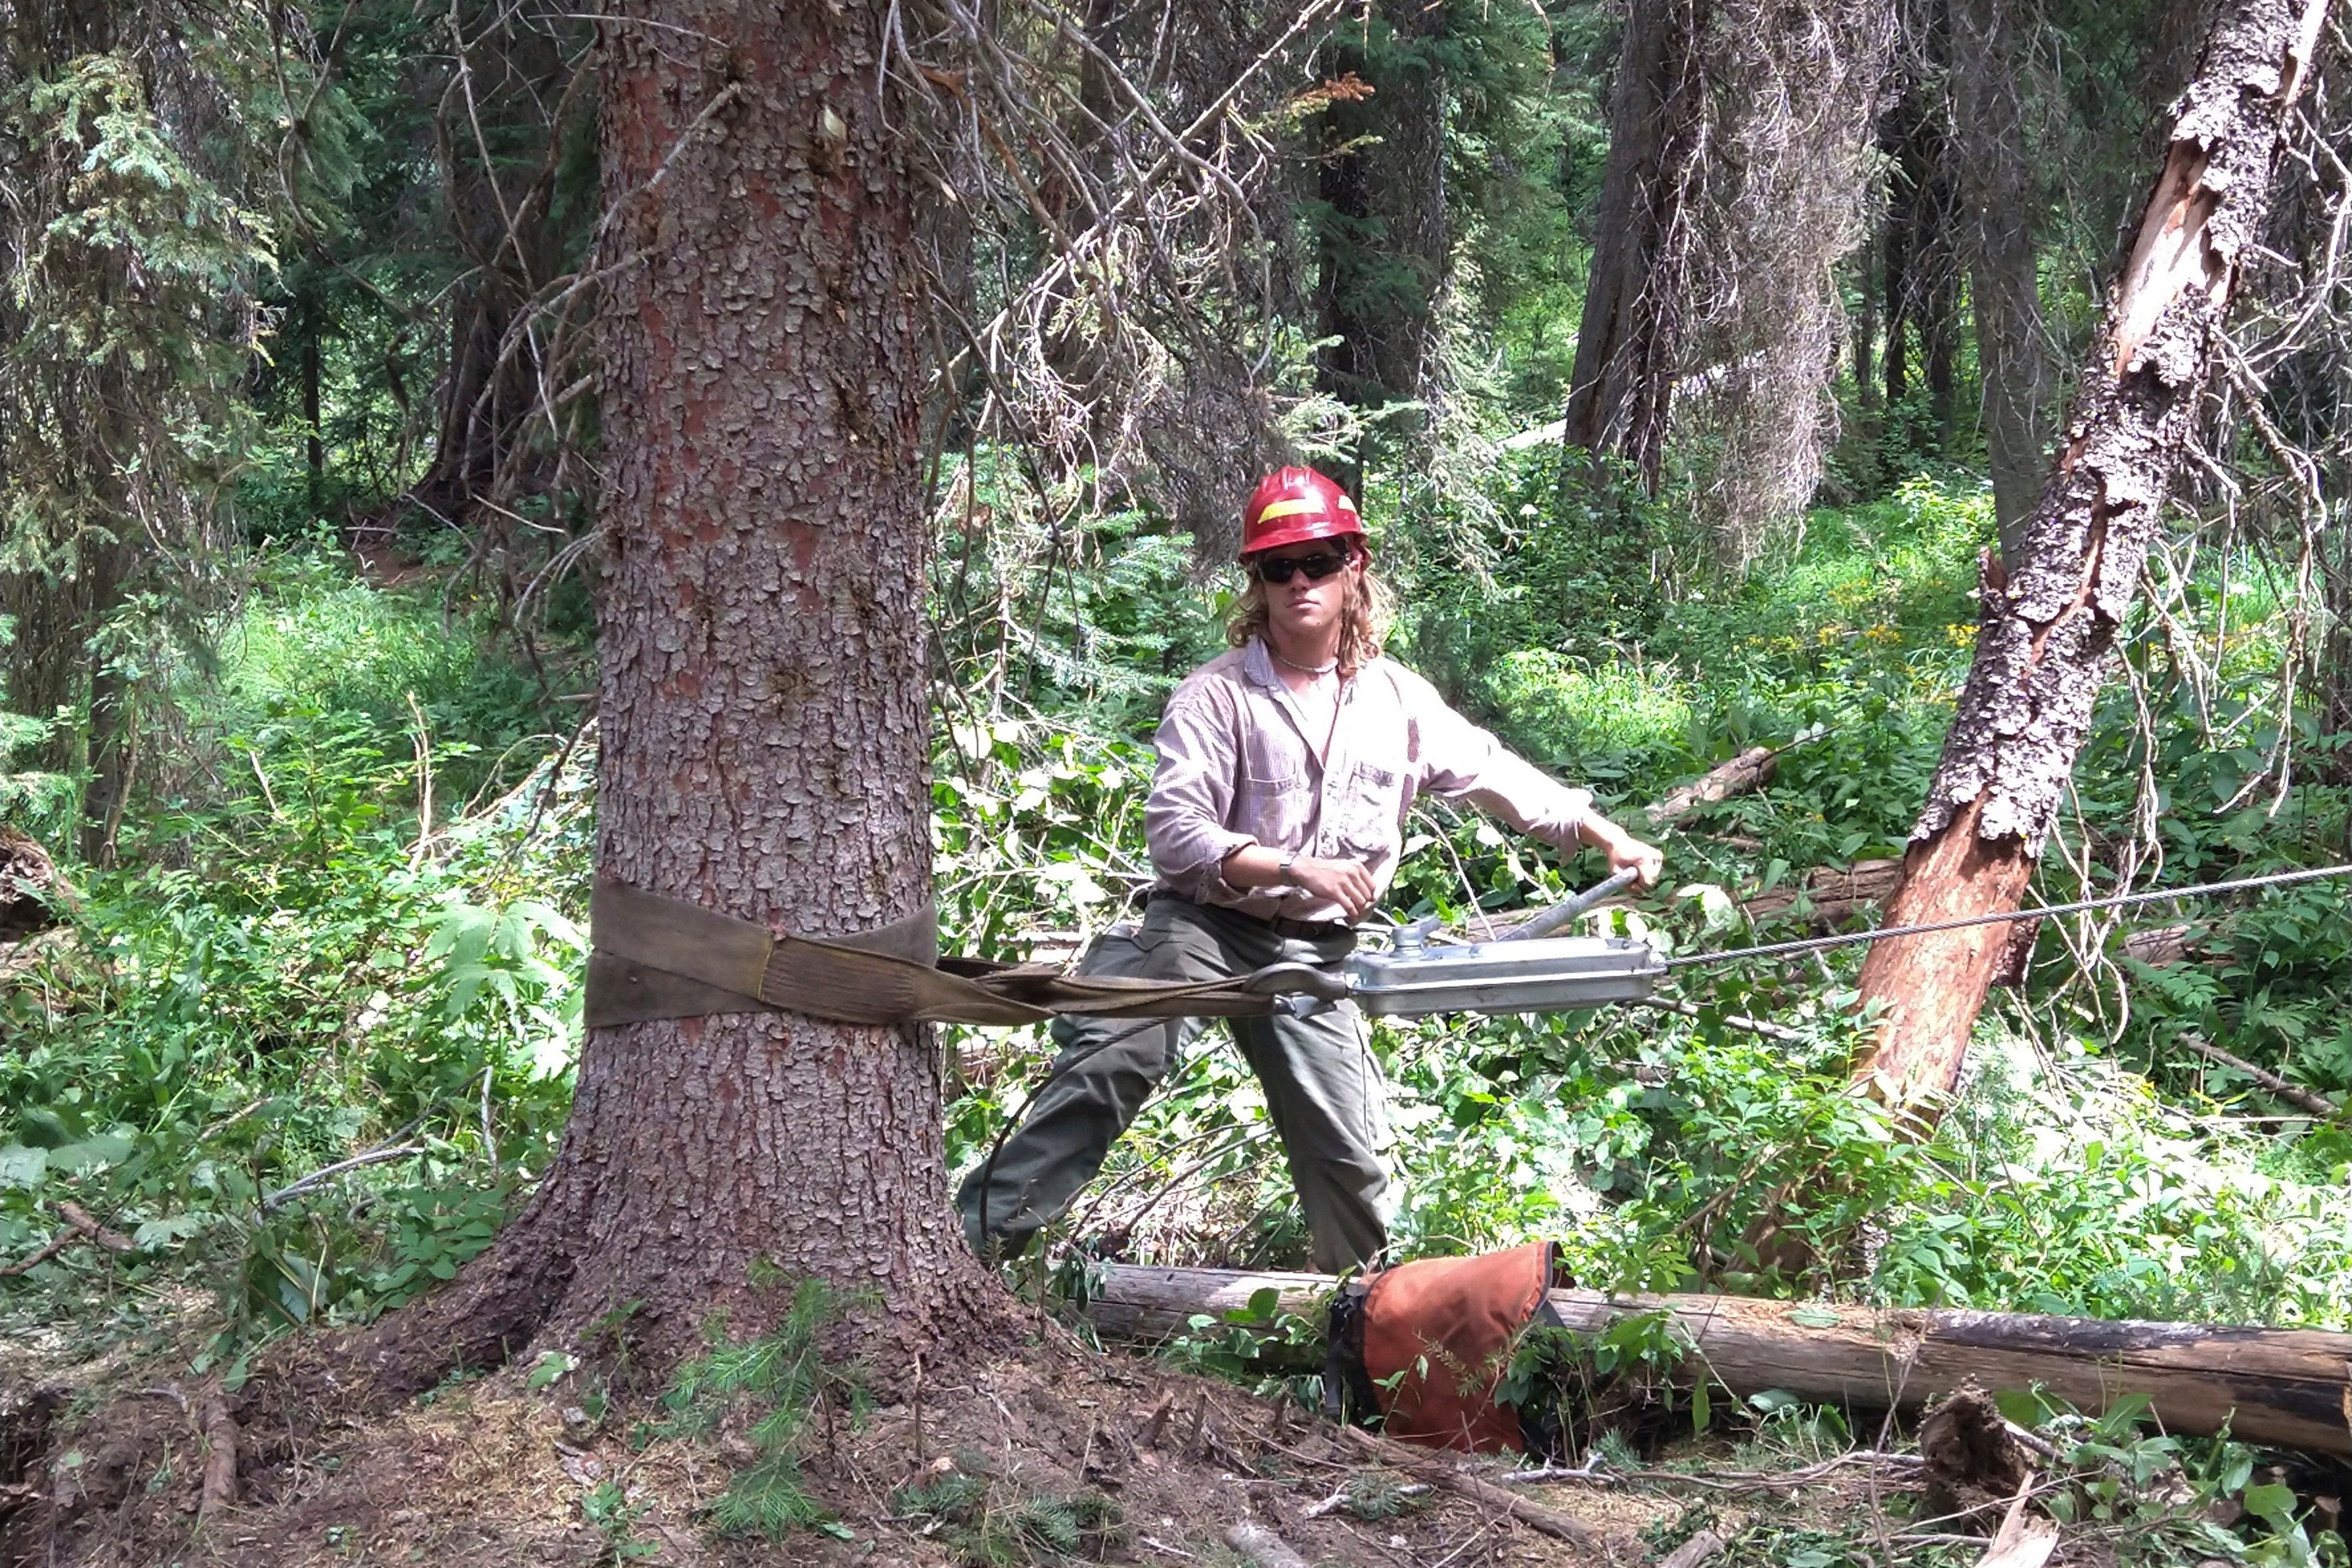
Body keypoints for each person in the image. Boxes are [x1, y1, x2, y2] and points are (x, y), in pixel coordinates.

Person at [956, 466, 1664, 1272]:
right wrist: (1298, 866)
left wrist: (1608, 835)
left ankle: (1360, 1331)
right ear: (1255, 582)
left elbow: (1494, 771)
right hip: (1201, 928)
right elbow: (1176, 835)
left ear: (1353, 567)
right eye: (1278, 566)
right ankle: (967, 1253)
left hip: (1315, 957)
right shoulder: (1215, 697)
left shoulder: (1397, 700)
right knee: (1115, 1056)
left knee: (1349, 1158)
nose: (1300, 581)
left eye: (1319, 561)